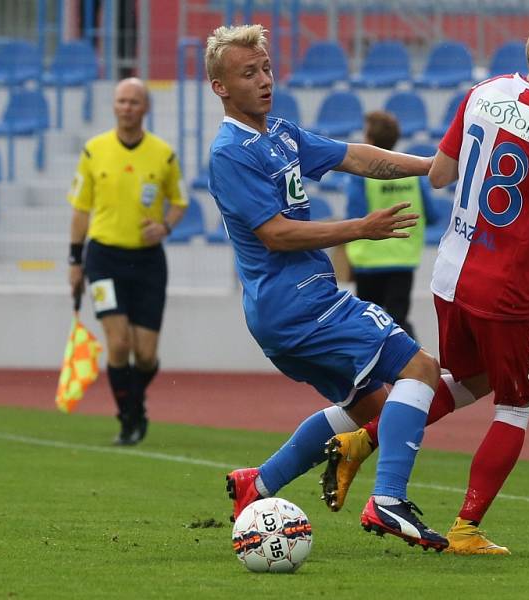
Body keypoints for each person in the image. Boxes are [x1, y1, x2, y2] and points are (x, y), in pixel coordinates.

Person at [320, 10, 529, 555]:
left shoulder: (482, 91)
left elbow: (441, 174)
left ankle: (362, 440)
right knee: (515, 406)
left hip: (452, 275)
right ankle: (467, 526)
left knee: (469, 378)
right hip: (509, 289)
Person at [204, 24, 448, 551]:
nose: (265, 81)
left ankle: (258, 484)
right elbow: (275, 234)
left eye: (266, 68)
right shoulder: (230, 151)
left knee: (372, 409)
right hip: (300, 304)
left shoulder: (281, 134)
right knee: (421, 369)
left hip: (290, 311)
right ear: (220, 86)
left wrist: (431, 167)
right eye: (249, 73)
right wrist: (360, 227)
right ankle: (388, 502)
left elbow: (355, 156)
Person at [67, 78, 187, 446]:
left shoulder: (163, 154)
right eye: (121, 101)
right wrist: (75, 259)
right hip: (103, 258)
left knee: (146, 355)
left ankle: (134, 403)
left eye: (134, 101)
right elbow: (80, 209)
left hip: (148, 262)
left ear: (146, 107)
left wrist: (164, 227)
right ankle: (128, 418)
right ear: (114, 106)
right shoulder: (94, 151)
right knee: (118, 345)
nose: (127, 107)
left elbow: (180, 203)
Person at [344, 111, 441, 339]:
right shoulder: (412, 172)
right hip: (402, 259)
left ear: (369, 139)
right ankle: (416, 370)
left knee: (368, 324)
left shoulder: (360, 174)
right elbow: (433, 215)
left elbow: (354, 214)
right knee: (399, 321)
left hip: (368, 261)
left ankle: (371, 373)